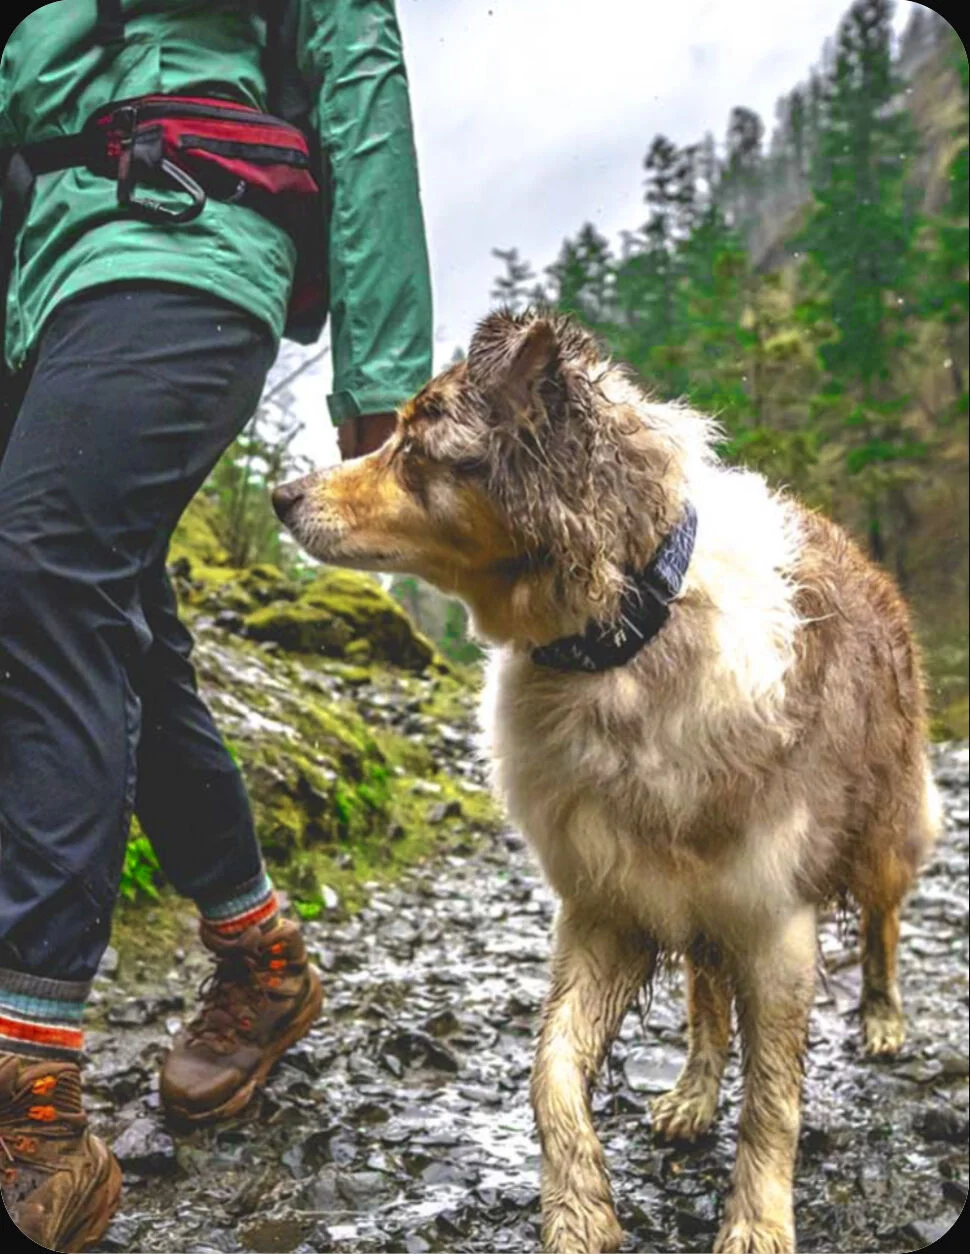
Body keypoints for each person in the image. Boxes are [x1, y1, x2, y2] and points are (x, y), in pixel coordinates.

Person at [0, 3, 431, 1248]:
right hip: (42, 283)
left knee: (43, 577)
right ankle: (261, 958)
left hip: (180, 239)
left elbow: (360, 71)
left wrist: (385, 368)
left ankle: (31, 1103)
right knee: (116, 616)